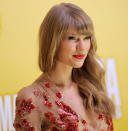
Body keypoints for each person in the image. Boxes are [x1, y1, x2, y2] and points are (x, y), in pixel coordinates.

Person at [13, 2, 115, 131]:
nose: (82, 47)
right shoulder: (31, 97)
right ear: (53, 42)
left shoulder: (92, 87)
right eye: (72, 38)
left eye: (86, 37)